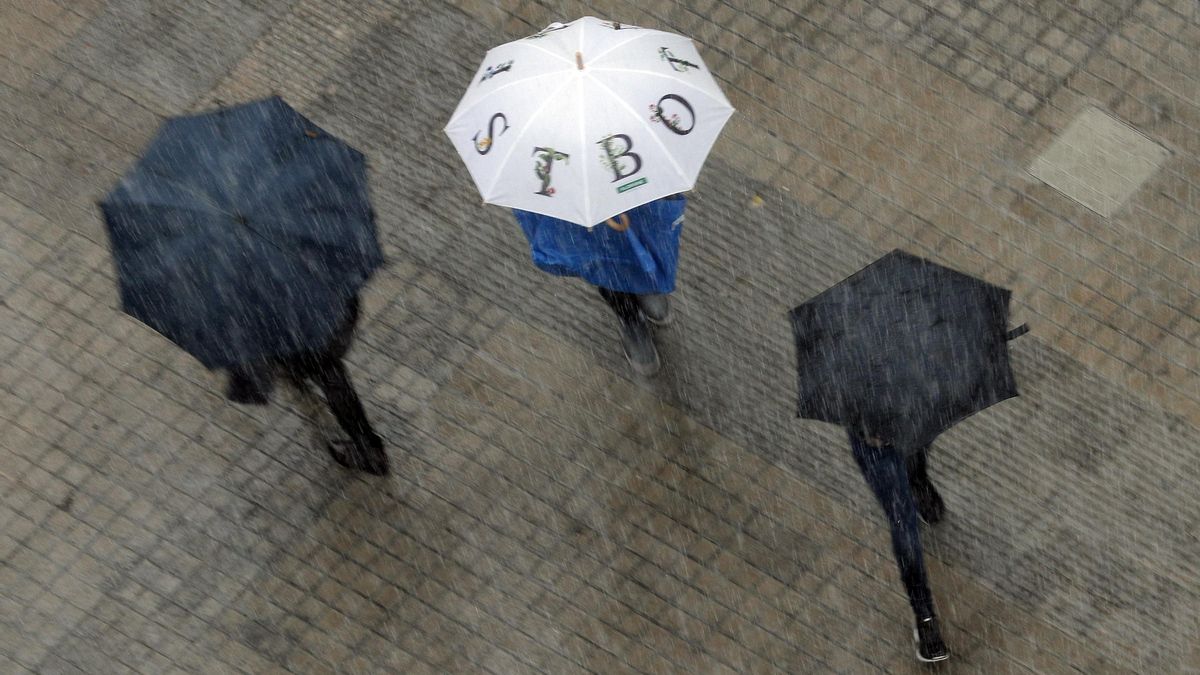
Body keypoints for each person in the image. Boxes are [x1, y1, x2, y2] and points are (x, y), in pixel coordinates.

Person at [512, 194, 687, 376]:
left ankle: (646, 285)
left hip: (626, 185)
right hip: (574, 202)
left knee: (641, 227)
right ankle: (630, 317)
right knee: (601, 260)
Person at [226, 295, 388, 475]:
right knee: (322, 366)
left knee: (326, 372)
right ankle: (297, 368)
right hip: (339, 313)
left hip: (307, 334)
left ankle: (368, 449)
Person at [847, 427, 949, 663]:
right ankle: (918, 484)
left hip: (875, 438)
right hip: (912, 416)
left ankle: (925, 617)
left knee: (903, 523)